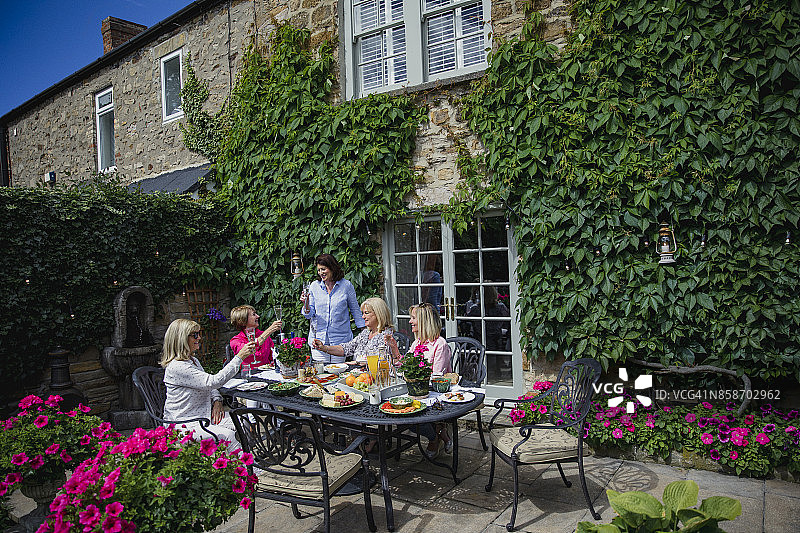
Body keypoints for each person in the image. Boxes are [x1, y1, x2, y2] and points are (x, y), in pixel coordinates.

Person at [161, 318, 254, 448]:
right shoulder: (178, 367)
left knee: (243, 420)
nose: (199, 338)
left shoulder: (192, 361)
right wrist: (239, 357)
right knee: (228, 435)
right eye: (195, 335)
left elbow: (208, 385)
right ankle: (243, 466)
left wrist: (217, 401)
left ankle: (247, 457)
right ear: (182, 338)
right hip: (185, 424)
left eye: (199, 334)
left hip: (203, 416)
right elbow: (212, 382)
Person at [386, 303, 453, 457]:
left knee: (410, 414)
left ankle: (434, 437)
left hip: (434, 393)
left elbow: (436, 377)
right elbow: (407, 365)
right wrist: (395, 350)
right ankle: (438, 432)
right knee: (398, 411)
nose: (410, 321)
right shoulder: (417, 343)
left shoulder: (440, 344)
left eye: (413, 318)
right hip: (418, 390)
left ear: (424, 321)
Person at [301, 253, 365, 363]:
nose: (320, 273)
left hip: (340, 341)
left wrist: (365, 332)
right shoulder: (314, 286)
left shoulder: (346, 286)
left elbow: (355, 310)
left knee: (338, 373)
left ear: (332, 268)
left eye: (323, 269)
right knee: (320, 375)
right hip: (318, 339)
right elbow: (308, 314)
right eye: (319, 270)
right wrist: (305, 303)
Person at [313, 297, 394, 363]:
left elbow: (380, 360)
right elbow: (346, 348)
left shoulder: (386, 335)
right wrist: (324, 348)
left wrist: (356, 363)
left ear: (378, 314)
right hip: (358, 376)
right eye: (363, 313)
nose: (363, 317)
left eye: (366, 313)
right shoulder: (366, 333)